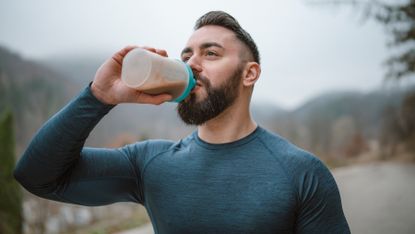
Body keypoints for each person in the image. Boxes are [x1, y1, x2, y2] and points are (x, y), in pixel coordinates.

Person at [14, 11, 350, 234]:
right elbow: (38, 177)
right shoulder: (148, 164)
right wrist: (98, 95)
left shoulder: (302, 174)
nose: (191, 65)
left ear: (250, 74)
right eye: (186, 55)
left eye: (211, 53)